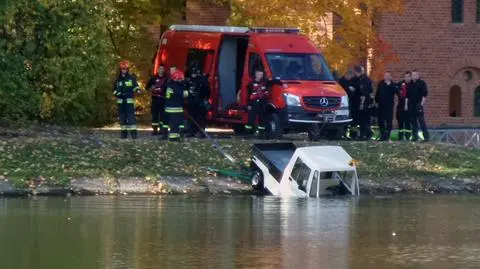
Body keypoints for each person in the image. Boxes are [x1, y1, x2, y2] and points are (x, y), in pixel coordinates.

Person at [113, 60, 141, 139]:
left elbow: (135, 86)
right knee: (122, 117)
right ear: (120, 69)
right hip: (121, 101)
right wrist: (118, 94)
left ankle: (134, 134)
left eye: (125, 69)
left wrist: (138, 90)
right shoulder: (118, 80)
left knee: (131, 117)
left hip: (129, 101)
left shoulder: (131, 78)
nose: (124, 70)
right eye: (122, 69)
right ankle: (123, 134)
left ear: (127, 69)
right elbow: (114, 90)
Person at [186, 66, 210, 138]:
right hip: (191, 101)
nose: (193, 75)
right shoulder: (189, 80)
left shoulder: (203, 80)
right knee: (191, 117)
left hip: (200, 100)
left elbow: (207, 90)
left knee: (200, 117)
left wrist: (205, 97)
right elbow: (186, 88)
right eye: (192, 73)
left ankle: (201, 132)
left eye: (195, 73)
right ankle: (191, 131)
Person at [164, 70, 189, 141]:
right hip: (175, 109)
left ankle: (176, 137)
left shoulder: (170, 85)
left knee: (175, 124)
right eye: (180, 79)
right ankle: (173, 138)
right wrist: (189, 92)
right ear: (176, 79)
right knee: (174, 125)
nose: (182, 80)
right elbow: (180, 94)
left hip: (171, 108)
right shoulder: (175, 86)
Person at [350, 65, 373, 140]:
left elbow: (365, 93)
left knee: (362, 120)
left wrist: (362, 104)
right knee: (356, 121)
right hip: (356, 103)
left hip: (361, 103)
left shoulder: (364, 80)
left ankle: (363, 135)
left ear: (356, 71)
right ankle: (355, 135)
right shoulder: (355, 79)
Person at [405, 70, 430, 142]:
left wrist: (421, 104)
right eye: (412, 75)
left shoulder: (422, 83)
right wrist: (406, 105)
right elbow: (407, 96)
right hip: (411, 105)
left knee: (421, 121)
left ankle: (426, 137)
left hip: (418, 104)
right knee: (413, 122)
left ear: (418, 75)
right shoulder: (409, 84)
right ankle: (415, 137)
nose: (413, 76)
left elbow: (424, 94)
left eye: (415, 75)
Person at [245, 69, 269, 135]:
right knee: (251, 118)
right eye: (259, 74)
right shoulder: (251, 83)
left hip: (262, 103)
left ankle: (261, 133)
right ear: (256, 74)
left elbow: (267, 92)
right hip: (253, 103)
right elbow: (249, 94)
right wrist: (249, 104)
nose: (260, 76)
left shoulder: (264, 83)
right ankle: (249, 132)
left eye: (261, 74)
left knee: (262, 118)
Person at [375, 71, 397, 141]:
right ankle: (382, 135)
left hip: (389, 106)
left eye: (388, 76)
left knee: (388, 121)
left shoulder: (393, 85)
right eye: (386, 75)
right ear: (384, 76)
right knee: (381, 121)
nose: (387, 77)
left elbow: (396, 92)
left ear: (390, 77)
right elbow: (377, 93)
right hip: (381, 105)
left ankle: (387, 136)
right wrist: (376, 101)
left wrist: (389, 85)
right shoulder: (381, 83)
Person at [146, 65, 167, 136]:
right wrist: (152, 89)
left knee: (163, 115)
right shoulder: (153, 78)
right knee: (155, 114)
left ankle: (161, 129)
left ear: (164, 70)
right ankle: (155, 130)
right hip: (155, 99)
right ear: (158, 70)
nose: (161, 70)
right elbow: (147, 87)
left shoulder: (166, 78)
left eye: (162, 69)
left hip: (163, 99)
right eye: (160, 69)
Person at [397, 71, 412, 141]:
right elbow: (396, 89)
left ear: (410, 77)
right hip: (401, 106)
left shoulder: (412, 84)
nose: (407, 78)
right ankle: (400, 137)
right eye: (406, 77)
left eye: (408, 77)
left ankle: (408, 137)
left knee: (408, 123)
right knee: (400, 122)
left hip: (410, 107)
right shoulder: (400, 84)